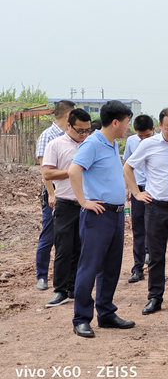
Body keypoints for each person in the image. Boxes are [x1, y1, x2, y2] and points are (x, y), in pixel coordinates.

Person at [68, 100, 135, 338]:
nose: (128, 127)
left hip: (115, 214)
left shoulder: (112, 143)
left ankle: (106, 313)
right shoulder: (93, 143)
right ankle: (81, 318)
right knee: (90, 266)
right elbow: (74, 171)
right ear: (115, 122)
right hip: (98, 214)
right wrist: (83, 201)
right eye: (126, 122)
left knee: (111, 266)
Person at [124, 107, 168, 315]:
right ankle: (155, 297)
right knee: (156, 255)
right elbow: (128, 167)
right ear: (159, 125)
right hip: (156, 207)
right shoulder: (148, 144)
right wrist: (136, 193)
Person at [41, 109, 92, 307]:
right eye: (80, 130)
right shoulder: (55, 145)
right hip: (66, 203)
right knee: (63, 248)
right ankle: (60, 290)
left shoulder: (91, 144)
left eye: (87, 130)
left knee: (82, 248)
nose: (84, 134)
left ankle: (74, 288)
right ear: (69, 126)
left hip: (88, 204)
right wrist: (72, 171)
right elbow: (47, 173)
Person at [35, 100, 75, 290]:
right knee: (49, 235)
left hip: (70, 194)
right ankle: (42, 276)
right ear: (68, 115)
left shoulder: (70, 135)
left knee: (67, 239)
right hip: (55, 194)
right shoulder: (48, 136)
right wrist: (52, 194)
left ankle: (68, 279)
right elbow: (46, 171)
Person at [124, 115, 155, 283]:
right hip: (138, 190)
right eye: (140, 136)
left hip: (155, 192)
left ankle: (156, 268)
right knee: (138, 230)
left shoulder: (161, 142)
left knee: (156, 231)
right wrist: (129, 188)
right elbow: (127, 166)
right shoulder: (131, 141)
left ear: (154, 130)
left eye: (147, 135)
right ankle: (138, 268)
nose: (143, 139)